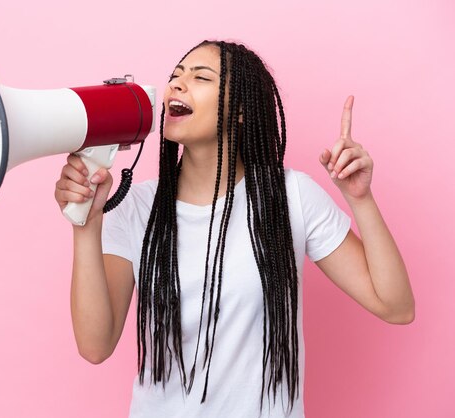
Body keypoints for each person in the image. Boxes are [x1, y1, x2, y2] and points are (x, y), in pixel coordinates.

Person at [54, 40, 415, 418]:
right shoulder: (138, 207)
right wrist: (87, 223)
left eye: (200, 77)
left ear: (240, 109)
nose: (176, 85)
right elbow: (95, 347)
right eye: (175, 76)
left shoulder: (291, 196)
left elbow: (396, 306)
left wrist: (360, 199)